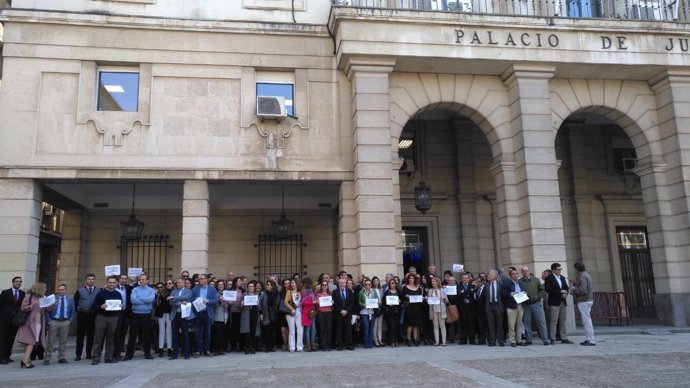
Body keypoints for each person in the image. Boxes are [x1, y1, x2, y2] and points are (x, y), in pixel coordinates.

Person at [123, 274, 156, 360]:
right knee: (132, 334)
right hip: (135, 314)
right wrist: (145, 300)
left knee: (147, 334)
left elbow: (151, 299)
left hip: (146, 314)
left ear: (147, 281)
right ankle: (129, 354)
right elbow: (133, 300)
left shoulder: (151, 290)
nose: (141, 281)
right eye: (140, 279)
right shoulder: (134, 289)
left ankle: (147, 353)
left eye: (143, 279)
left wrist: (140, 298)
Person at [16, 282, 48, 369]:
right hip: (28, 323)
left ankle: (28, 360)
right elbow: (23, 308)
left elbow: (46, 310)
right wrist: (32, 305)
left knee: (30, 341)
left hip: (38, 323)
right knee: (30, 341)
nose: (46, 289)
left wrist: (51, 304)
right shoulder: (29, 296)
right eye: (44, 288)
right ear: (39, 288)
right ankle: (25, 361)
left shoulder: (43, 297)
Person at [91, 276, 122, 365]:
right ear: (107, 283)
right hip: (102, 317)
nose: (112, 284)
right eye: (110, 282)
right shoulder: (101, 294)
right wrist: (101, 307)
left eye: (113, 282)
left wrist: (120, 307)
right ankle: (96, 357)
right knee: (98, 338)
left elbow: (120, 304)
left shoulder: (118, 294)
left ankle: (108, 357)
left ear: (116, 284)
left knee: (110, 339)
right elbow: (94, 306)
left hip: (114, 318)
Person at [45, 283, 75, 365]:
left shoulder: (70, 299)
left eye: (62, 290)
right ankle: (47, 358)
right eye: (59, 290)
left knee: (63, 341)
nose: (61, 291)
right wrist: (49, 321)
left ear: (65, 290)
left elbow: (73, 311)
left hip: (65, 322)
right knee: (50, 341)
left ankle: (61, 357)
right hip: (54, 321)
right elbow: (46, 310)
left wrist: (70, 321)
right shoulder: (53, 299)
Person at [544, 263, 573, 344]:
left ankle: (563, 337)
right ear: (553, 270)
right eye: (558, 269)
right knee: (554, 321)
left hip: (563, 302)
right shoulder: (549, 278)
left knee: (563, 320)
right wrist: (560, 292)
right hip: (554, 302)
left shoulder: (562, 278)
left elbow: (566, 288)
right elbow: (548, 289)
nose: (559, 270)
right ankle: (552, 338)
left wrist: (566, 293)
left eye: (560, 269)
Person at [520, 266, 549, 346]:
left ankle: (545, 339)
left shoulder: (536, 280)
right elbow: (518, 292)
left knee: (541, 321)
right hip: (526, 305)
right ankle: (528, 339)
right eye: (523, 271)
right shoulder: (520, 281)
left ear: (529, 271)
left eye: (526, 270)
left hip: (536, 303)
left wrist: (538, 296)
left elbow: (542, 289)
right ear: (522, 272)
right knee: (527, 323)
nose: (525, 272)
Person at [74, 273, 99, 361]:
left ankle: (89, 354)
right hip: (82, 315)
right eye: (89, 279)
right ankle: (78, 354)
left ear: (94, 280)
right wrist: (79, 310)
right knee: (80, 336)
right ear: (85, 281)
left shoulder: (98, 290)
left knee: (91, 336)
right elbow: (75, 302)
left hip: (93, 316)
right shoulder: (80, 291)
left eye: (92, 279)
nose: (90, 280)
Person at [192, 273, 218, 357]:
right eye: (199, 279)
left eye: (202, 279)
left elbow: (215, 301)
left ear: (206, 280)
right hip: (198, 313)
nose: (201, 280)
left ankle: (207, 350)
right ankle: (198, 351)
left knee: (207, 333)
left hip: (207, 313)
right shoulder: (195, 289)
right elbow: (191, 300)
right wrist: (195, 300)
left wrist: (208, 301)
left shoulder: (212, 289)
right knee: (197, 333)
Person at [0, 276, 25, 364]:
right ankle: (1, 357)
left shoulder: (22, 294)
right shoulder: (5, 292)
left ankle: (7, 356)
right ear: (13, 282)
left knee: (11, 338)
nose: (18, 283)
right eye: (17, 281)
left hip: (15, 320)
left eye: (20, 282)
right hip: (4, 320)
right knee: (3, 337)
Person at [570, 261, 595, 346]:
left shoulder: (582, 276)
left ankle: (591, 340)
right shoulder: (586, 275)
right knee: (587, 320)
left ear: (577, 269)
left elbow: (583, 290)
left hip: (584, 300)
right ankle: (589, 338)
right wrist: (575, 283)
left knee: (586, 321)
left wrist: (573, 288)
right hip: (587, 300)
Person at [168, 278, 193, 360]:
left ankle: (186, 353)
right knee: (174, 335)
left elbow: (186, 297)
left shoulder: (188, 291)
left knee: (185, 334)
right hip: (175, 315)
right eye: (177, 282)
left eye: (179, 282)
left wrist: (173, 298)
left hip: (184, 315)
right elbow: (171, 303)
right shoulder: (173, 291)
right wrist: (180, 302)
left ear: (183, 283)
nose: (177, 284)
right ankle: (174, 354)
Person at [503, 268, 525, 347]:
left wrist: (524, 293)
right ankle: (512, 340)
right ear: (510, 276)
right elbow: (503, 294)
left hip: (520, 305)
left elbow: (522, 291)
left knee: (519, 324)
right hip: (511, 306)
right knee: (511, 324)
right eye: (513, 274)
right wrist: (511, 294)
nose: (515, 275)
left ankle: (519, 340)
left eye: (516, 274)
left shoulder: (520, 283)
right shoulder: (507, 284)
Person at [332, 277, 354, 351]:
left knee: (348, 330)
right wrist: (341, 310)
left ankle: (349, 345)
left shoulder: (349, 291)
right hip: (338, 314)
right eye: (340, 283)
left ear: (345, 284)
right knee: (339, 330)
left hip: (347, 314)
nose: (341, 284)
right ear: (338, 284)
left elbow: (351, 303)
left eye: (343, 283)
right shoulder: (334, 292)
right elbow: (334, 303)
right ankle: (340, 345)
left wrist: (346, 311)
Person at [113, 274, 131, 361]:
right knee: (116, 333)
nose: (123, 280)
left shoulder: (129, 288)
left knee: (123, 333)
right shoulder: (114, 287)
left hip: (126, 313)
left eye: (125, 279)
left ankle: (119, 352)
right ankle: (114, 353)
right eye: (122, 278)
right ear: (119, 279)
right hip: (116, 313)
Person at [401, 274, 423, 346]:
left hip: (417, 307)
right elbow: (402, 297)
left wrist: (422, 298)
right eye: (410, 278)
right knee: (409, 324)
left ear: (415, 279)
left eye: (412, 278)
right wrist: (405, 296)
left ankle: (416, 339)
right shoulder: (405, 287)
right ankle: (408, 339)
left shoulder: (418, 287)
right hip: (409, 308)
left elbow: (420, 296)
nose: (411, 279)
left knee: (416, 324)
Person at [485, 270, 505, 347]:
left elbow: (503, 296)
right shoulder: (486, 285)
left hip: (498, 306)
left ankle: (500, 341)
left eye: (490, 275)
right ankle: (492, 341)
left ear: (495, 276)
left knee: (500, 324)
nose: (488, 276)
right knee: (491, 325)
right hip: (489, 306)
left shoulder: (501, 285)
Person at [154, 280, 173, 357]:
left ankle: (169, 348)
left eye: (170, 283)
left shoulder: (174, 292)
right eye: (167, 283)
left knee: (169, 331)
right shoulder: (159, 294)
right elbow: (157, 304)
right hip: (161, 313)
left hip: (169, 313)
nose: (168, 285)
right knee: (161, 331)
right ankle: (160, 348)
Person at [427, 276, 448, 346]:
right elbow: (428, 301)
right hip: (433, 310)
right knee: (435, 326)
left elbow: (447, 301)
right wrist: (427, 299)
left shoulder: (442, 290)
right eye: (432, 281)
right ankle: (437, 341)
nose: (432, 283)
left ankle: (444, 341)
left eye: (433, 281)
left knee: (442, 325)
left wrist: (444, 298)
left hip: (441, 309)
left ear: (437, 282)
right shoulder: (430, 291)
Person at [284, 279, 303, 352]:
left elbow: (303, 300)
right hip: (291, 313)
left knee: (300, 330)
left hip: (299, 312)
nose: (292, 284)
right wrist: (292, 309)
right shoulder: (289, 292)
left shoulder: (300, 292)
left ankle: (299, 347)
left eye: (293, 283)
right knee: (292, 330)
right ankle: (292, 347)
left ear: (296, 283)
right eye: (291, 283)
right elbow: (286, 302)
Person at [358, 278, 378, 349]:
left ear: (371, 285)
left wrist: (377, 302)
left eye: (369, 284)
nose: (367, 285)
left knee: (371, 328)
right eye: (366, 284)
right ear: (364, 285)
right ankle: (366, 343)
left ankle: (370, 343)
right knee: (366, 327)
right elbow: (359, 302)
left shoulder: (374, 291)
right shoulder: (361, 292)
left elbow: (376, 300)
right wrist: (364, 305)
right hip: (364, 312)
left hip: (372, 312)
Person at [240, 281, 259, 354]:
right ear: (247, 288)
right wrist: (242, 304)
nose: (250, 288)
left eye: (252, 286)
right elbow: (240, 306)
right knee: (247, 332)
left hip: (254, 315)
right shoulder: (244, 295)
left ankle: (253, 347)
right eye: (249, 287)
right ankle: (247, 348)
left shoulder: (256, 295)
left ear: (254, 288)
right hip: (246, 315)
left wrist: (258, 303)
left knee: (253, 332)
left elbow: (259, 308)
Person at [259, 280, 278, 352]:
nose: (267, 285)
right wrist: (260, 312)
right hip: (265, 315)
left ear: (272, 286)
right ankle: (266, 347)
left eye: (268, 284)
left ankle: (271, 346)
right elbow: (259, 303)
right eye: (267, 284)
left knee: (272, 332)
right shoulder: (263, 294)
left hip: (273, 315)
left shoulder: (275, 294)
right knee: (266, 332)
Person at [457, 273, 476, 345]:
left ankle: (472, 339)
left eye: (466, 278)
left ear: (469, 279)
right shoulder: (459, 286)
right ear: (461, 279)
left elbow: (472, 292)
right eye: (463, 278)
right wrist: (467, 292)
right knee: (463, 324)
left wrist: (464, 292)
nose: (464, 279)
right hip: (462, 308)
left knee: (471, 324)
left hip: (471, 307)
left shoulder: (472, 286)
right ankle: (463, 339)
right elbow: (459, 294)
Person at [382, 278, 401, 347]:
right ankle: (392, 341)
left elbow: (401, 300)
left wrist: (399, 301)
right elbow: (384, 301)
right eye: (390, 283)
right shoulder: (387, 292)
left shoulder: (398, 292)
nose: (391, 284)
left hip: (397, 311)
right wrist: (388, 303)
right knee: (391, 326)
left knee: (396, 326)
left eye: (393, 283)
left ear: (395, 284)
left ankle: (396, 340)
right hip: (390, 311)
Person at [227, 277, 244, 353]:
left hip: (240, 311)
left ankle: (237, 345)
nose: (241, 282)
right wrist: (228, 303)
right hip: (231, 312)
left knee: (238, 328)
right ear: (235, 282)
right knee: (230, 328)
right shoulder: (230, 291)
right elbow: (226, 300)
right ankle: (230, 345)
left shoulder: (243, 290)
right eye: (239, 281)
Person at [315, 280, 333, 351]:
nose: (324, 286)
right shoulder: (318, 294)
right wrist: (317, 302)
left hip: (329, 312)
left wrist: (332, 302)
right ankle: (323, 345)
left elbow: (332, 304)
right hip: (321, 312)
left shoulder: (330, 294)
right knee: (322, 329)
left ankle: (329, 345)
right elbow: (316, 304)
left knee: (329, 329)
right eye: (323, 285)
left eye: (326, 285)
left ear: (328, 286)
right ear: (321, 286)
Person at [211, 280, 227, 356]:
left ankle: (221, 349)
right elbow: (213, 305)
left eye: (222, 284)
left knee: (222, 333)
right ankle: (216, 349)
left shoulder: (226, 294)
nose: (221, 286)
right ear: (217, 286)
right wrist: (219, 301)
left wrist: (230, 303)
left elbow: (228, 304)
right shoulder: (215, 294)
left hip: (225, 316)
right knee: (217, 333)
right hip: (217, 316)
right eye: (219, 284)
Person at [301, 278, 317, 352]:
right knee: (308, 329)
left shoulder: (311, 291)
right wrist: (313, 302)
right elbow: (303, 303)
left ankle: (312, 345)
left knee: (312, 329)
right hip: (308, 311)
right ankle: (309, 346)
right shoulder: (304, 291)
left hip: (311, 312)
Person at [473, 276, 488, 345]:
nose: (477, 283)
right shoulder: (476, 290)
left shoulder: (486, 289)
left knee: (487, 326)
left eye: (478, 282)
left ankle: (490, 339)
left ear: (482, 282)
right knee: (481, 326)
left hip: (485, 311)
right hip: (478, 311)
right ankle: (482, 339)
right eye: (476, 282)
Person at [370, 277, 384, 347]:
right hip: (374, 309)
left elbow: (383, 298)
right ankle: (375, 340)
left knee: (380, 326)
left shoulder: (381, 289)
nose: (376, 282)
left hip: (381, 309)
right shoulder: (371, 290)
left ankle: (380, 339)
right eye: (374, 281)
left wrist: (381, 302)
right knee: (374, 326)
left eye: (377, 280)